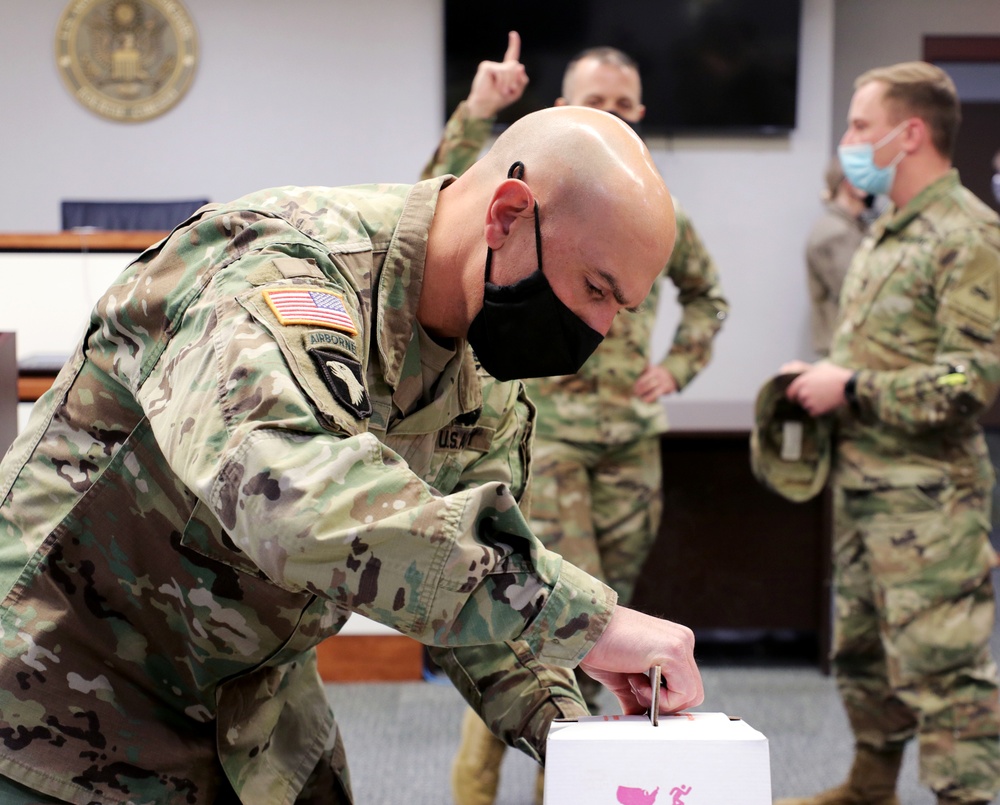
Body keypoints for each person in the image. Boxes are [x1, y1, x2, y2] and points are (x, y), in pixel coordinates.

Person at [0, 107, 705, 805]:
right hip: (59, 696)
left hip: (251, 704)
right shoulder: (272, 263)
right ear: (508, 214)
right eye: (595, 289)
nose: (601, 332)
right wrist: (591, 619)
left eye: (623, 309)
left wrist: (584, 736)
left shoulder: (485, 363)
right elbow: (294, 504)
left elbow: (477, 588)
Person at [422, 39, 728, 805]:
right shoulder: (532, 199)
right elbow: (442, 208)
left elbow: (708, 297)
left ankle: (547, 783)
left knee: (600, 612)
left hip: (628, 440)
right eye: (596, 101)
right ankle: (487, 785)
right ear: (561, 108)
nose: (613, 113)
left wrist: (679, 367)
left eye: (625, 104)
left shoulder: (660, 219)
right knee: (554, 615)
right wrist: (476, 114)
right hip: (546, 435)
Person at [777, 61, 1000, 805]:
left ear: (911, 135)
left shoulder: (968, 234)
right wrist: (822, 374)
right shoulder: (882, 233)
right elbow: (883, 353)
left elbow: (976, 380)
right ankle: (870, 786)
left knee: (944, 674)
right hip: (864, 491)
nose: (847, 142)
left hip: (929, 504)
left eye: (860, 127)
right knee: (864, 658)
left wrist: (856, 388)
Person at [805, 157, 868, 357]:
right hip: (844, 347)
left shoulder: (849, 227)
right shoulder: (835, 233)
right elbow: (856, 291)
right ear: (850, 184)